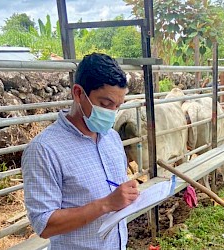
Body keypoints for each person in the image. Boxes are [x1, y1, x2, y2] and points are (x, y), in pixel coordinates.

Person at [22, 53, 139, 249]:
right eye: (105, 104)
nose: (111, 113)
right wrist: (106, 204)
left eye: (117, 106)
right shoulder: (44, 150)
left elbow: (115, 195)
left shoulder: (112, 138)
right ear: (78, 93)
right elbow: (44, 224)